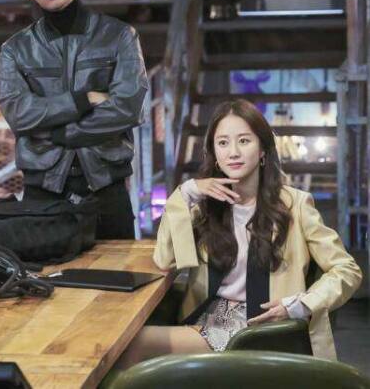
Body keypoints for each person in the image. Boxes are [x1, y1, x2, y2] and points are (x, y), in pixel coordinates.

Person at [116, 99, 362, 365]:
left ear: (262, 150)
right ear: (214, 153)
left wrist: (301, 304)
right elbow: (165, 260)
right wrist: (186, 192)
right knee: (124, 342)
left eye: (244, 141)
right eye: (223, 143)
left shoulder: (296, 205)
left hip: (260, 326)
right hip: (208, 317)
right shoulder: (205, 207)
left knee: (131, 345)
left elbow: (347, 270)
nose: (233, 152)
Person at [0, 0, 149, 239]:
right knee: (45, 270)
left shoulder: (119, 36)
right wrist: (83, 100)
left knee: (117, 268)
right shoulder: (15, 50)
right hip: (43, 192)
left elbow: (128, 107)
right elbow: (17, 113)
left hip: (106, 187)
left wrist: (62, 134)